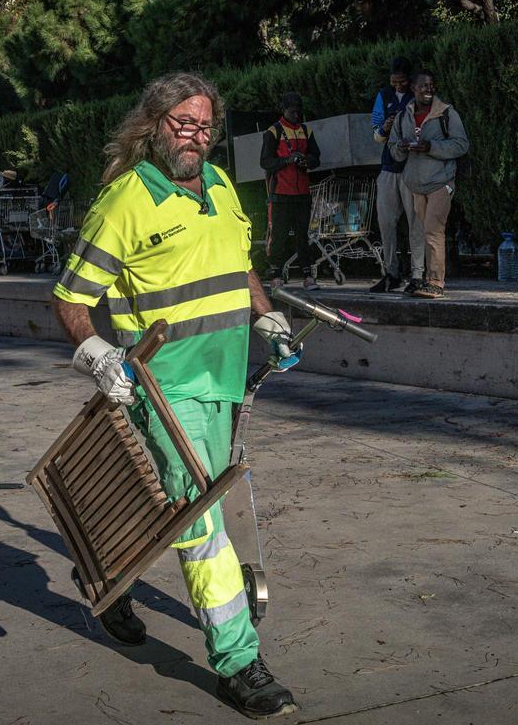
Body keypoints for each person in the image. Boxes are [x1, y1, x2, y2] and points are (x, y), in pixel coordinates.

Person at [51, 72, 300, 720]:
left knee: (166, 500)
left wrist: (266, 316)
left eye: (204, 125)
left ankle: (102, 571)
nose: (194, 136)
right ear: (154, 125)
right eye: (181, 123)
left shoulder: (219, 187)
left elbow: (238, 260)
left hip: (226, 379)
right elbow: (71, 299)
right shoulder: (124, 201)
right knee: (198, 518)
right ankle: (238, 661)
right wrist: (96, 353)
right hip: (164, 386)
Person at [388, 71, 470, 298]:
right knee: (425, 233)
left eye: (431, 86)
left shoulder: (446, 113)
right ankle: (427, 280)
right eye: (423, 86)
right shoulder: (404, 116)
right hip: (416, 185)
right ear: (413, 88)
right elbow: (393, 150)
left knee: (434, 230)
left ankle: (435, 283)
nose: (429, 89)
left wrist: (430, 146)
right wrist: (402, 148)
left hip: (440, 182)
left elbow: (461, 145)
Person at [259, 92, 321, 291]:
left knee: (304, 235)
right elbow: (265, 162)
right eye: (292, 111)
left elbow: (316, 157)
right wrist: (287, 160)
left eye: (298, 111)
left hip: (302, 192)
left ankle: (307, 275)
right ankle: (276, 274)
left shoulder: (306, 130)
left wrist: (306, 161)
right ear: (283, 110)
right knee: (279, 235)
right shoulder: (273, 131)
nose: (296, 115)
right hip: (281, 193)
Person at [369, 57, 415, 292]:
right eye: (394, 81)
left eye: (402, 81)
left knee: (415, 222)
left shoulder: (416, 95)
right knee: (386, 223)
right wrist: (385, 128)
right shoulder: (384, 95)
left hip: (410, 168)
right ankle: (391, 271)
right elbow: (376, 134)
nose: (398, 86)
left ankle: (417, 272)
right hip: (388, 166)